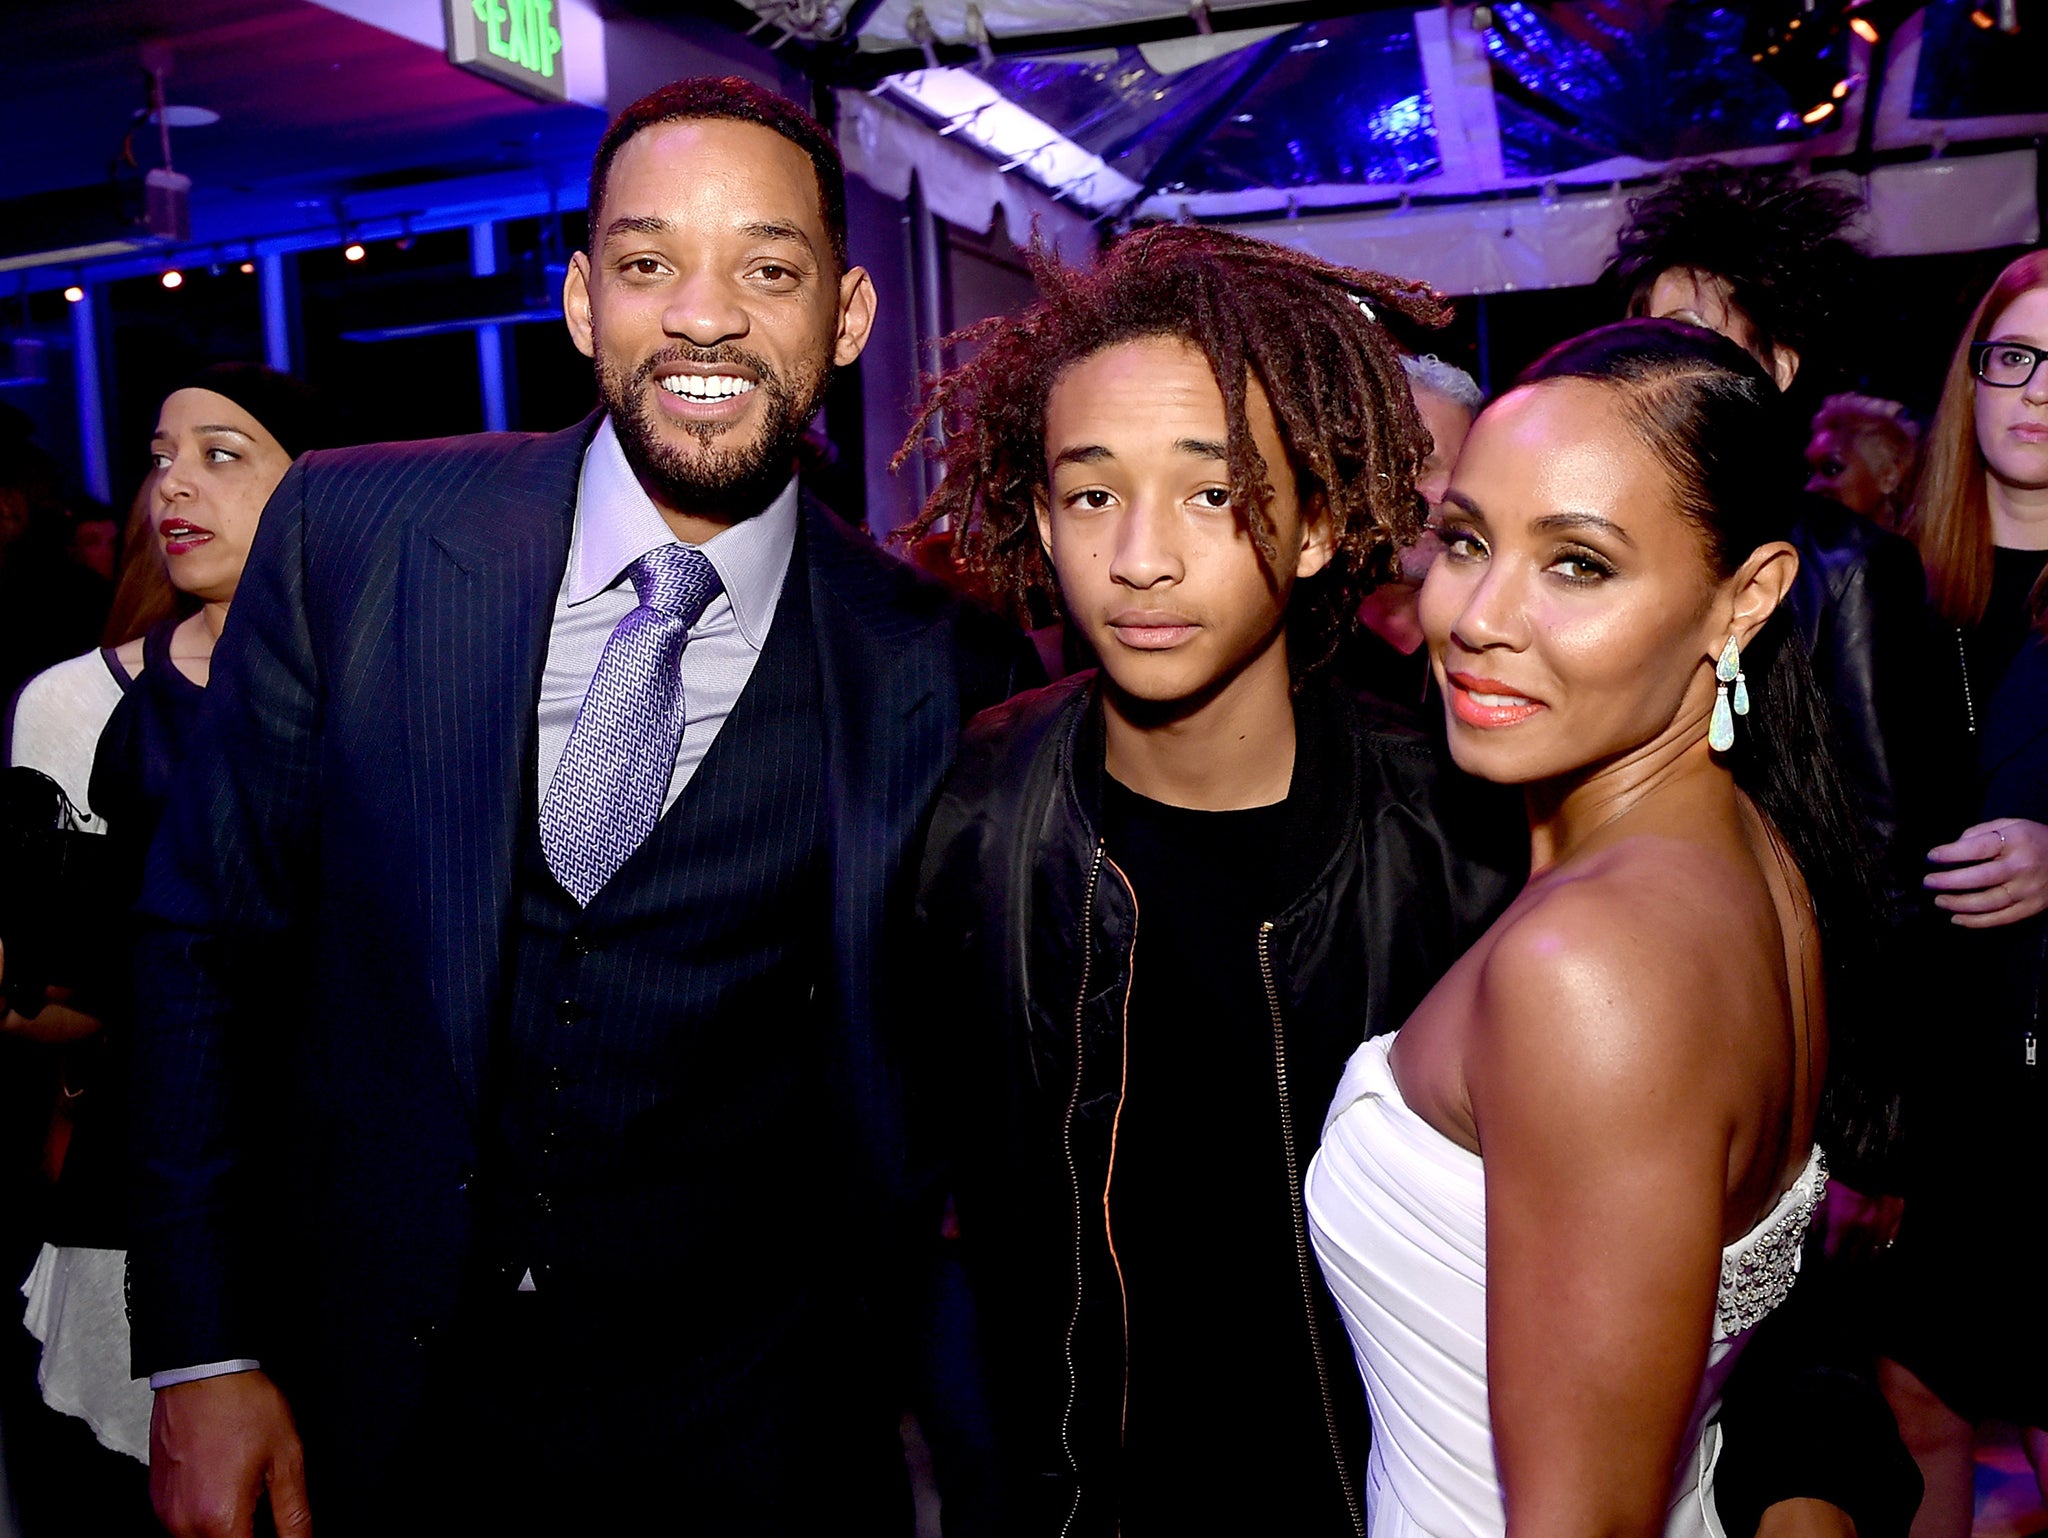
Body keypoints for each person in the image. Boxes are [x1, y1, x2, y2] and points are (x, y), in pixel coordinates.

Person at [126, 77, 1040, 1538]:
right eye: (647, 262)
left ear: (849, 316)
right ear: (579, 300)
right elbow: (201, 947)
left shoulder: (943, 659)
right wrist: (205, 1346)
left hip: (755, 1440)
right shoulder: (356, 538)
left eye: (770, 267)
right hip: (369, 1406)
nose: (704, 315)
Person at [908, 231, 1911, 1538]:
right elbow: (928, 1237)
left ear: (1324, 520)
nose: (1142, 555)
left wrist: (1806, 1484)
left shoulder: (1485, 837)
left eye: (1212, 493)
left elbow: (1739, 1282)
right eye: (1093, 494)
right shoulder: (978, 818)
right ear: (1041, 515)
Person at [1306, 318, 1901, 1538]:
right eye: (1465, 540)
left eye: (1576, 563)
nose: (1474, 614)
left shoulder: (1588, 968)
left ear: (1744, 600)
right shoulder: (1754, 851)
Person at [4, 364, 319, 1538]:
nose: (172, 484)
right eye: (160, 453)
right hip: (149, 1219)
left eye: (224, 452)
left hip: (352, 1225)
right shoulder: (77, 707)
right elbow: (52, 993)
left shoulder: (399, 688)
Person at [1609, 162, 1935, 922]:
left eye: (1689, 330)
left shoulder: (1850, 565)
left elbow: (1886, 834)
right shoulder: (1631, 542)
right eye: (1648, 333)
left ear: (1779, 365)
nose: (1661, 358)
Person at [1876, 248, 2048, 1536]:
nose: (2037, 393)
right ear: (1971, 375)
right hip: (1925, 1078)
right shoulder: (1872, 591)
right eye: (2013, 356)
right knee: (1913, 1402)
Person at [1342, 353, 1483, 720]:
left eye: (1467, 469)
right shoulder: (1291, 642)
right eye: (1417, 466)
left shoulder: (1492, 635)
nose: (1445, 493)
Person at [1806, 394, 1920, 533]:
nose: (1812, 486)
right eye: (1810, 472)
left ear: (1888, 476)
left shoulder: (1928, 550)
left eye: (1832, 469)